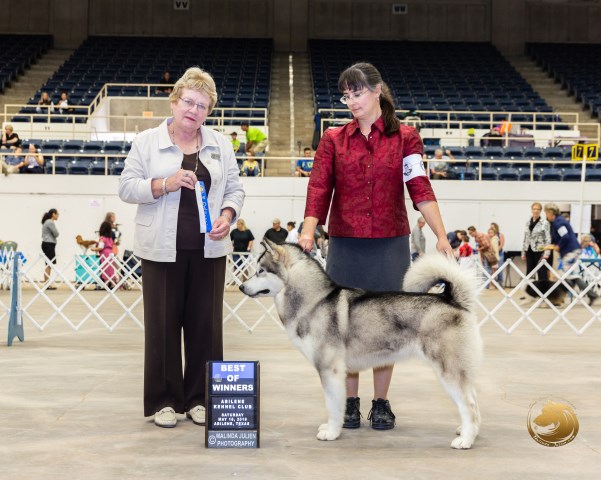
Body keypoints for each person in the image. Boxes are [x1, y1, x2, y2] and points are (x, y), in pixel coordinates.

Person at [298, 62, 453, 432]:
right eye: (346, 95)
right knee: (343, 326)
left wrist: (442, 236)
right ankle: (349, 403)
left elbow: (420, 188)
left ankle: (381, 403)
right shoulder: (333, 139)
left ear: (377, 91)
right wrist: (307, 231)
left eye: (357, 92)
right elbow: (319, 190)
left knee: (388, 325)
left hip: (390, 243)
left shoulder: (406, 138)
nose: (351, 101)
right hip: (346, 243)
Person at [118, 66, 245, 429]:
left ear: (209, 111)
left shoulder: (221, 144)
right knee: (162, 326)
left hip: (209, 250)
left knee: (206, 327)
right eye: (188, 101)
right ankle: (164, 401)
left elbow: (235, 188)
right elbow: (127, 188)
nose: (194, 110)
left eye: (202, 105)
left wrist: (228, 213)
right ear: (174, 102)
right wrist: (164, 183)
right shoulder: (146, 141)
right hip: (160, 249)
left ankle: (201, 399)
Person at [543, 203, 598, 306]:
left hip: (570, 251)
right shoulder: (558, 222)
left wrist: (558, 246)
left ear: (551, 213)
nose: (546, 216)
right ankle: (589, 294)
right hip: (572, 250)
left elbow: (565, 237)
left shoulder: (558, 223)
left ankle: (557, 298)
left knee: (565, 275)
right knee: (570, 276)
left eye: (546, 213)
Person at [521, 202, 551, 281]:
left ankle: (543, 292)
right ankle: (530, 292)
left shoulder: (545, 223)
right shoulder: (527, 223)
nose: (536, 211)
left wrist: (547, 253)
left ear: (540, 211)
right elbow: (525, 238)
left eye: (538, 209)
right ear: (531, 210)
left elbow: (548, 238)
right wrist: (523, 252)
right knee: (529, 272)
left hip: (540, 250)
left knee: (542, 272)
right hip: (529, 250)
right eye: (534, 209)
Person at [91, 221, 118, 288]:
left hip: (105, 253)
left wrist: (93, 249)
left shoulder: (102, 238)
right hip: (111, 253)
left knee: (105, 268)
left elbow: (101, 247)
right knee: (111, 268)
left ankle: (106, 283)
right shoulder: (110, 238)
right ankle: (112, 283)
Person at [41, 208, 59, 289]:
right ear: (53, 214)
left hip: (48, 244)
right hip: (48, 244)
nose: (58, 216)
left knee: (48, 264)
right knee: (49, 264)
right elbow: (56, 233)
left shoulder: (47, 222)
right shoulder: (50, 222)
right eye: (57, 214)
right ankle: (46, 283)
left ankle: (47, 283)